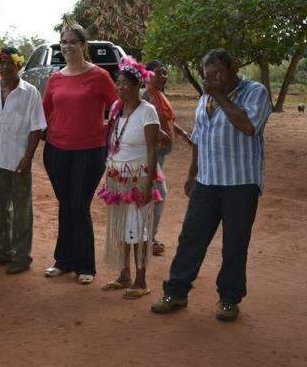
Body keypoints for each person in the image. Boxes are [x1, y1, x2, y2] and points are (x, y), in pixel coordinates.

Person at [151, 49, 272, 322]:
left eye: (218, 72)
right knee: (191, 237)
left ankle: (229, 299)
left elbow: (249, 125)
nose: (213, 79)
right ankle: (176, 292)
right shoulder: (206, 97)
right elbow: (200, 136)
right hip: (207, 180)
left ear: (234, 67)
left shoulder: (255, 92)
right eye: (208, 76)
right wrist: (193, 172)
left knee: (234, 243)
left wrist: (218, 94)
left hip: (240, 182)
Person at [42, 22, 118, 285]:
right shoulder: (55, 78)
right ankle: (63, 261)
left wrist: (109, 129)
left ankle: (86, 265)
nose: (67, 46)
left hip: (88, 152)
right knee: (66, 205)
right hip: (56, 151)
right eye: (64, 42)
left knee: (79, 205)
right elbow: (45, 111)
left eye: (73, 42)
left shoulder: (98, 76)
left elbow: (117, 107)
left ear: (84, 46)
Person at [0, 47, 46, 274]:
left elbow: (36, 129)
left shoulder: (30, 92)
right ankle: (2, 251)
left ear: (19, 65)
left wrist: (28, 158)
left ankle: (22, 256)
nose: (4, 67)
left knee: (22, 210)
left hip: (17, 161)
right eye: (0, 62)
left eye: (9, 63)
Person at [98, 57, 160, 299]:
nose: (120, 87)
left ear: (138, 86)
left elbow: (153, 150)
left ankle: (141, 280)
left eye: (125, 83)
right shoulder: (116, 109)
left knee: (138, 229)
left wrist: (148, 182)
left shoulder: (148, 111)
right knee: (122, 225)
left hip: (138, 179)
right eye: (118, 83)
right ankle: (124, 275)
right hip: (117, 177)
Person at [143, 60, 193, 256]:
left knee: (153, 194)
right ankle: (148, 238)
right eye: (159, 73)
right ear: (148, 74)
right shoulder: (145, 96)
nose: (164, 76)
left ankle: (147, 236)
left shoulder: (160, 95)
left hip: (161, 151)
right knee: (159, 193)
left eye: (165, 73)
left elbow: (168, 120)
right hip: (151, 153)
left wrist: (181, 133)